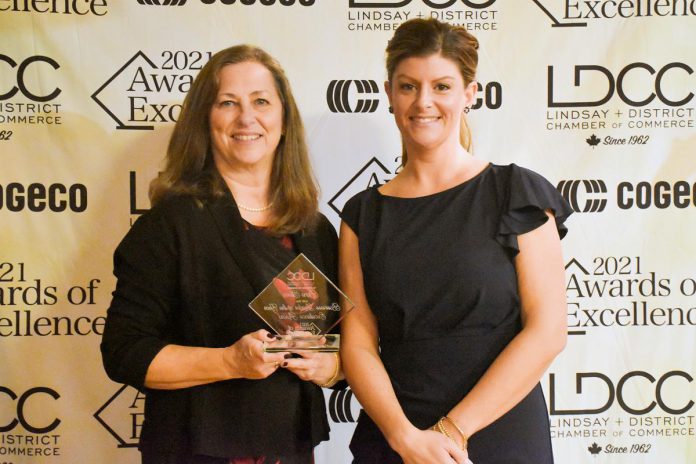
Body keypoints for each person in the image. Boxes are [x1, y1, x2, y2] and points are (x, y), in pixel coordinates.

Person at [339, 18, 572, 464]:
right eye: (408, 87)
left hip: (500, 431)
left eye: (442, 86)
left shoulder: (516, 193)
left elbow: (548, 332)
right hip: (395, 436)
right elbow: (358, 343)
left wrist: (451, 432)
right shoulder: (363, 214)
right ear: (388, 93)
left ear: (470, 94)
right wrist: (405, 438)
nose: (423, 102)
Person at [101, 45, 342, 464]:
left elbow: (342, 344)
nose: (246, 118)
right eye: (228, 103)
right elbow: (124, 352)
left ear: (283, 121)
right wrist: (229, 362)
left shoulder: (315, 229)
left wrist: (331, 367)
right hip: (194, 450)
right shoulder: (170, 224)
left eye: (261, 102)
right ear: (205, 121)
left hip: (291, 449)